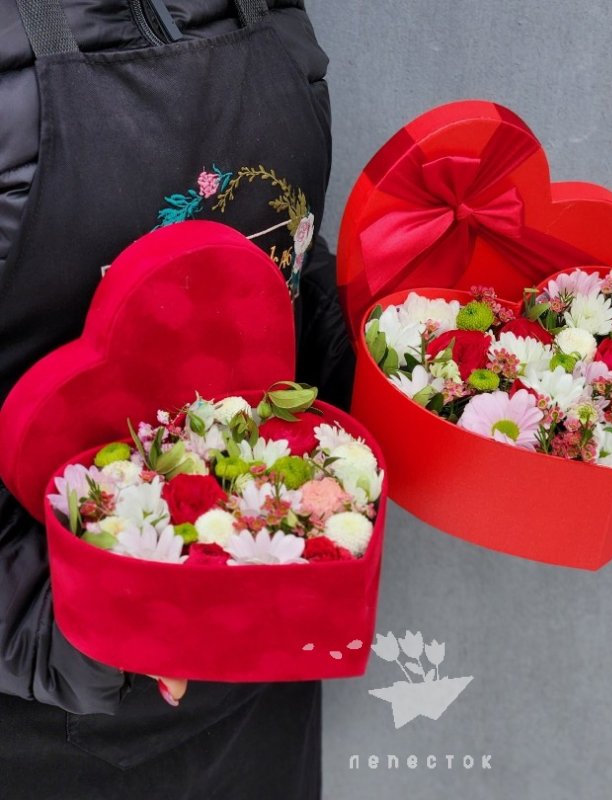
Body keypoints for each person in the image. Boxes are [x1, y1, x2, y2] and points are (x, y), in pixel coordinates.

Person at [0, 2, 352, 797]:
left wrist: (380, 362)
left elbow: (286, 259)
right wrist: (89, 631)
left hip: (264, 676)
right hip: (50, 725)